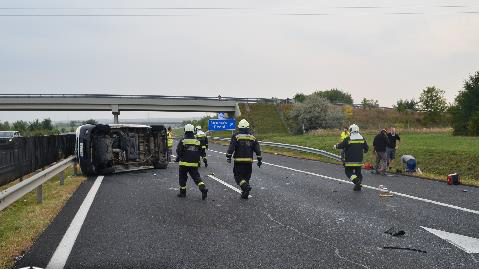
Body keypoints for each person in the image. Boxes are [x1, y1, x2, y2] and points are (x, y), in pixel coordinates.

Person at [226, 119, 262, 199]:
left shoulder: (236, 136)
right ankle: (245, 193)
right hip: (249, 161)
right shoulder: (252, 137)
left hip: (239, 161)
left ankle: (245, 187)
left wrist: (228, 156)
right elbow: (257, 149)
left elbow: (231, 147)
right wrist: (259, 159)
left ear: (239, 128)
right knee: (246, 177)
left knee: (238, 176)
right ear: (248, 128)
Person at [175, 124, 208, 200]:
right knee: (197, 178)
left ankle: (182, 193)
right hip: (194, 164)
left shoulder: (183, 140)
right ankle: (203, 189)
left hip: (183, 164)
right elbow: (201, 152)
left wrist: (179, 157)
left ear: (185, 130)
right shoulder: (197, 141)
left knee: (182, 178)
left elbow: (178, 151)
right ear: (193, 131)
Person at [334, 124, 369, 191]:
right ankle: (357, 186)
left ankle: (356, 181)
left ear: (350, 130)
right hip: (359, 161)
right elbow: (366, 148)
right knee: (358, 173)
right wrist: (364, 151)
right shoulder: (362, 138)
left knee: (348, 171)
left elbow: (341, 145)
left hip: (349, 160)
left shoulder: (348, 138)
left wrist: (335, 146)